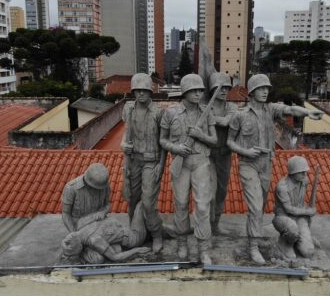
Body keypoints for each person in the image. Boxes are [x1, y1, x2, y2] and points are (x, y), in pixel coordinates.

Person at [227, 74, 323, 264]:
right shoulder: (240, 115)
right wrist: (245, 150)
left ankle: (263, 239)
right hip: (248, 164)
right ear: (252, 91)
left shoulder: (271, 110)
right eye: (261, 89)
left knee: (260, 207)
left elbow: (288, 109)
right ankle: (253, 247)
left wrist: (307, 113)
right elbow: (229, 141)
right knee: (255, 207)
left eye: (267, 89)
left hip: (266, 164)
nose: (265, 92)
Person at [160, 74, 217, 265]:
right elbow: (162, 139)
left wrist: (201, 135)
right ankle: (182, 242)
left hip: (201, 163)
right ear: (185, 92)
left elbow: (215, 140)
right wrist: (176, 148)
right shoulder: (171, 113)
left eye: (200, 90)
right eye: (194, 90)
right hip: (181, 164)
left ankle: (203, 249)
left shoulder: (206, 112)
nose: (198, 94)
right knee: (181, 204)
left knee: (202, 207)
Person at [121, 73, 166, 253]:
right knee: (131, 199)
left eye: (144, 90)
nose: (140, 94)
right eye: (137, 90)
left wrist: (161, 165)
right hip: (133, 161)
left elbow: (163, 142)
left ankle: (156, 235)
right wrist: (123, 144)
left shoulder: (158, 112)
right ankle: (136, 233)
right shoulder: (128, 109)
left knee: (148, 203)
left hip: (151, 162)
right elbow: (126, 134)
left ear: (150, 92)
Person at [208, 72, 238, 235]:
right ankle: (207, 223)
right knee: (210, 192)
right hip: (208, 154)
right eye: (220, 87)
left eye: (227, 87)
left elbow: (229, 122)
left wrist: (213, 119)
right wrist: (218, 120)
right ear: (213, 89)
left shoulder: (232, 107)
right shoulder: (206, 106)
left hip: (225, 154)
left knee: (221, 191)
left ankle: (215, 225)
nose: (224, 90)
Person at [272, 156, 316, 260]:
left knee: (308, 252)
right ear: (292, 172)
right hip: (283, 217)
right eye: (302, 172)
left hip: (299, 217)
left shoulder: (304, 181)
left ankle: (299, 240)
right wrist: (307, 211)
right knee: (292, 229)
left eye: (305, 171)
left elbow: (302, 201)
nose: (305, 174)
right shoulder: (282, 187)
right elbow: (288, 209)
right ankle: (285, 244)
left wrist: (307, 211)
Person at [61, 163, 111, 234]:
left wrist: (103, 212)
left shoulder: (104, 186)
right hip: (79, 226)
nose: (96, 190)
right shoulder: (71, 188)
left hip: (98, 222)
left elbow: (107, 204)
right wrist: (73, 233)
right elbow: (65, 213)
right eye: (94, 188)